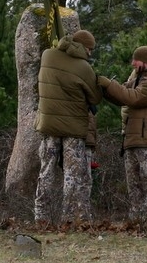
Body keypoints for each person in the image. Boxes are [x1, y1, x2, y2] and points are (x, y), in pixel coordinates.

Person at [34, 28, 100, 225]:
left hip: (48, 125)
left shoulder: (47, 55)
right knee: (72, 175)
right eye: (90, 50)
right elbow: (95, 97)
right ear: (85, 48)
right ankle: (68, 218)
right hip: (73, 128)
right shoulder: (84, 67)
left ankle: (41, 216)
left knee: (46, 171)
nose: (90, 54)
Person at [99, 46, 147, 220]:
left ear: (145, 62)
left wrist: (108, 84)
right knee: (134, 184)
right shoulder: (140, 80)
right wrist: (105, 91)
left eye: (135, 60)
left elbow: (131, 97)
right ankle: (138, 218)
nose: (132, 63)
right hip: (133, 139)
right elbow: (122, 95)